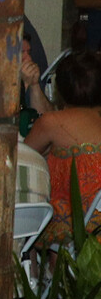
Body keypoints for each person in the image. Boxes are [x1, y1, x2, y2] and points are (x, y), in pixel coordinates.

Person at [24, 51, 101, 244]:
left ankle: (30, 264)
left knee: (27, 214)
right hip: (96, 220)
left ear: (61, 87)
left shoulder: (52, 122)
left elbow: (22, 158)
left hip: (76, 224)